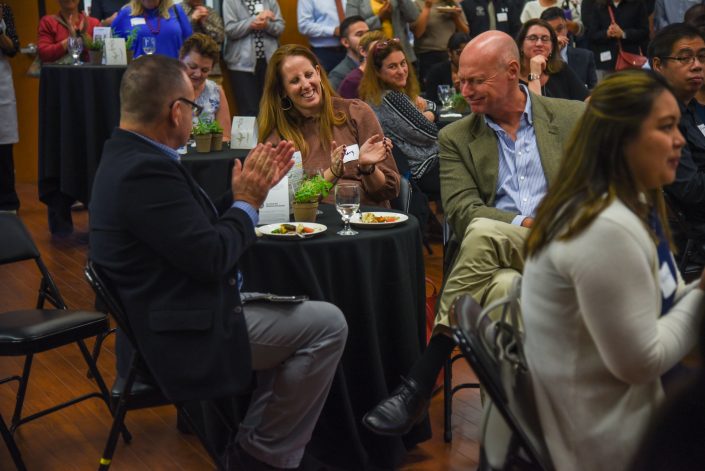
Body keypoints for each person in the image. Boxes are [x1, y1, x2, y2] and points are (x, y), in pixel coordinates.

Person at [89, 54, 348, 471]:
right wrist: (247, 203)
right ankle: (261, 455)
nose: (194, 117)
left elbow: (190, 236)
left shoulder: (126, 156)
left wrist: (243, 198)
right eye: (193, 107)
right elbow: (213, 257)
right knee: (328, 324)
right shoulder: (143, 172)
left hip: (176, 310)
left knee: (300, 304)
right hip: (180, 332)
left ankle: (262, 444)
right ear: (176, 112)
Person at [362, 30, 584, 436]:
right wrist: (523, 225)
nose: (464, 92)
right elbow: (462, 212)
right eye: (461, 80)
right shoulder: (457, 136)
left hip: (568, 249)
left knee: (485, 231)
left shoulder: (571, 118)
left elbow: (598, 190)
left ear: (513, 71)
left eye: (475, 81)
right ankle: (517, 443)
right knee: (502, 287)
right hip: (502, 260)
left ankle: (422, 379)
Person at [521, 69, 703, 471]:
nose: (680, 140)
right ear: (622, 139)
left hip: (625, 411)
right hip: (613, 441)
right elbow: (641, 361)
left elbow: (665, 304)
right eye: (666, 127)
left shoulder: (625, 200)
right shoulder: (603, 226)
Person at [258, 44, 400, 207]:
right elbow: (293, 199)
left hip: (364, 220)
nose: (306, 84)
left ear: (318, 73)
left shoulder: (355, 112)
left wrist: (368, 168)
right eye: (295, 81)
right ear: (283, 90)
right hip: (312, 225)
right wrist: (332, 173)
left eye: (309, 74)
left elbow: (390, 190)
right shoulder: (279, 136)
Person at [649, 24, 705, 264]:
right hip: (692, 230)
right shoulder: (661, 115)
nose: (697, 65)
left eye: (702, 57)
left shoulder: (689, 107)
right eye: (685, 58)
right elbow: (690, 190)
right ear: (658, 65)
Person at [359, 38, 440, 199]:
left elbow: (431, 105)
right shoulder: (391, 97)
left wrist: (427, 113)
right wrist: (430, 114)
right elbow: (431, 133)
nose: (402, 70)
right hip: (423, 169)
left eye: (403, 63)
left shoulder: (380, 94)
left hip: (421, 167)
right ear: (377, 71)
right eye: (392, 66)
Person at [223, 0, 283, 117]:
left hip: (269, 62)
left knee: (273, 108)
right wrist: (253, 21)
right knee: (249, 111)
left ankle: (272, 136)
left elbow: (280, 27)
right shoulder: (230, 1)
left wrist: (267, 25)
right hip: (241, 65)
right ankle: (251, 136)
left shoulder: (270, 1)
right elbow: (230, 30)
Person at [516, 18, 589, 100]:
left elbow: (586, 99)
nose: (539, 44)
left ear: (551, 47)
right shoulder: (513, 76)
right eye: (533, 38)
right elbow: (535, 110)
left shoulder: (560, 68)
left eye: (545, 39)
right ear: (521, 45)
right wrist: (535, 73)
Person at [179, 33, 231, 142]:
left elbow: (226, 137)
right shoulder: (166, 90)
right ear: (181, 59)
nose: (197, 74)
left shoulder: (216, 91)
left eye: (205, 70)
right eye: (192, 66)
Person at [582, 0, 649, 76]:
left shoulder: (637, 4)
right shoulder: (599, 5)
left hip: (630, 60)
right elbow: (592, 35)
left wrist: (623, 34)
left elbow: (644, 32)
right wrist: (607, 33)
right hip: (605, 63)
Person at [346, 0, 421, 67]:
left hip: (403, 54)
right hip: (374, 58)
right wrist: (379, 18)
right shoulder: (354, 1)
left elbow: (414, 16)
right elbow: (352, 28)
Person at [412, 0, 469, 85]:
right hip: (428, 55)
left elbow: (465, 32)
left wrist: (456, 18)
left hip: (452, 56)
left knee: (452, 89)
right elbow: (417, 32)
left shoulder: (452, 3)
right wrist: (427, 7)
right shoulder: (418, 4)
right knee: (430, 89)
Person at [112, 0, 192, 58]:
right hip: (139, 76)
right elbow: (111, 48)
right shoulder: (126, 13)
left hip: (173, 75)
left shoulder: (176, 10)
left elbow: (190, 44)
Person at [541, 6, 597, 89]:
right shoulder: (539, 60)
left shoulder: (586, 56)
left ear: (567, 29)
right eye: (550, 31)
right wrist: (553, 51)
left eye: (559, 29)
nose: (556, 34)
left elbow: (593, 91)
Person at [0, 3, 19, 213]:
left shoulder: (5, 9)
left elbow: (13, 48)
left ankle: (7, 204)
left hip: (1, 84)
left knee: (3, 147)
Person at [297, 0, 348, 72]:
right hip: (323, 54)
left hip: (349, 51)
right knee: (324, 83)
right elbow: (304, 26)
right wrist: (332, 31)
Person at [424, 32, 470, 106]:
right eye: (459, 53)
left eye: (467, 52)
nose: (464, 56)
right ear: (449, 52)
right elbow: (430, 101)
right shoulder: (436, 72)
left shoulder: (476, 71)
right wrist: (452, 90)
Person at [338, 29, 386, 99]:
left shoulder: (384, 74)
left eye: (384, 49)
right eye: (375, 49)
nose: (381, 53)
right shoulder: (353, 81)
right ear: (363, 51)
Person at [328, 15, 369, 90]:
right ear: (345, 42)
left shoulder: (377, 64)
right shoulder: (338, 74)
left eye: (368, 33)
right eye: (360, 34)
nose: (367, 38)